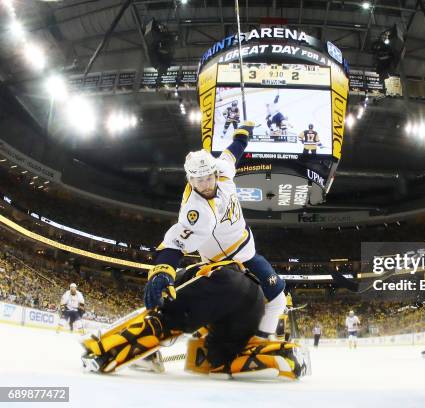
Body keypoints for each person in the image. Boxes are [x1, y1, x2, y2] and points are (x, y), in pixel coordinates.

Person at [144, 122, 287, 340]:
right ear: (190, 179)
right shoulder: (196, 210)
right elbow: (177, 242)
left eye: (209, 177)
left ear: (214, 172)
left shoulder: (221, 171)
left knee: (278, 299)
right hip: (218, 265)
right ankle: (155, 338)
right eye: (199, 180)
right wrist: (162, 269)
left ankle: (260, 341)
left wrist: (242, 134)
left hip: (246, 253)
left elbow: (232, 153)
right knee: (197, 307)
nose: (206, 184)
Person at [81, 261, 310, 380]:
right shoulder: (257, 268)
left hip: (226, 284)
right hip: (253, 304)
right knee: (219, 362)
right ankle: (285, 354)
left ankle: (104, 354)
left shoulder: (195, 270)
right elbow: (277, 302)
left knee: (165, 320)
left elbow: (173, 309)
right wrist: (259, 337)